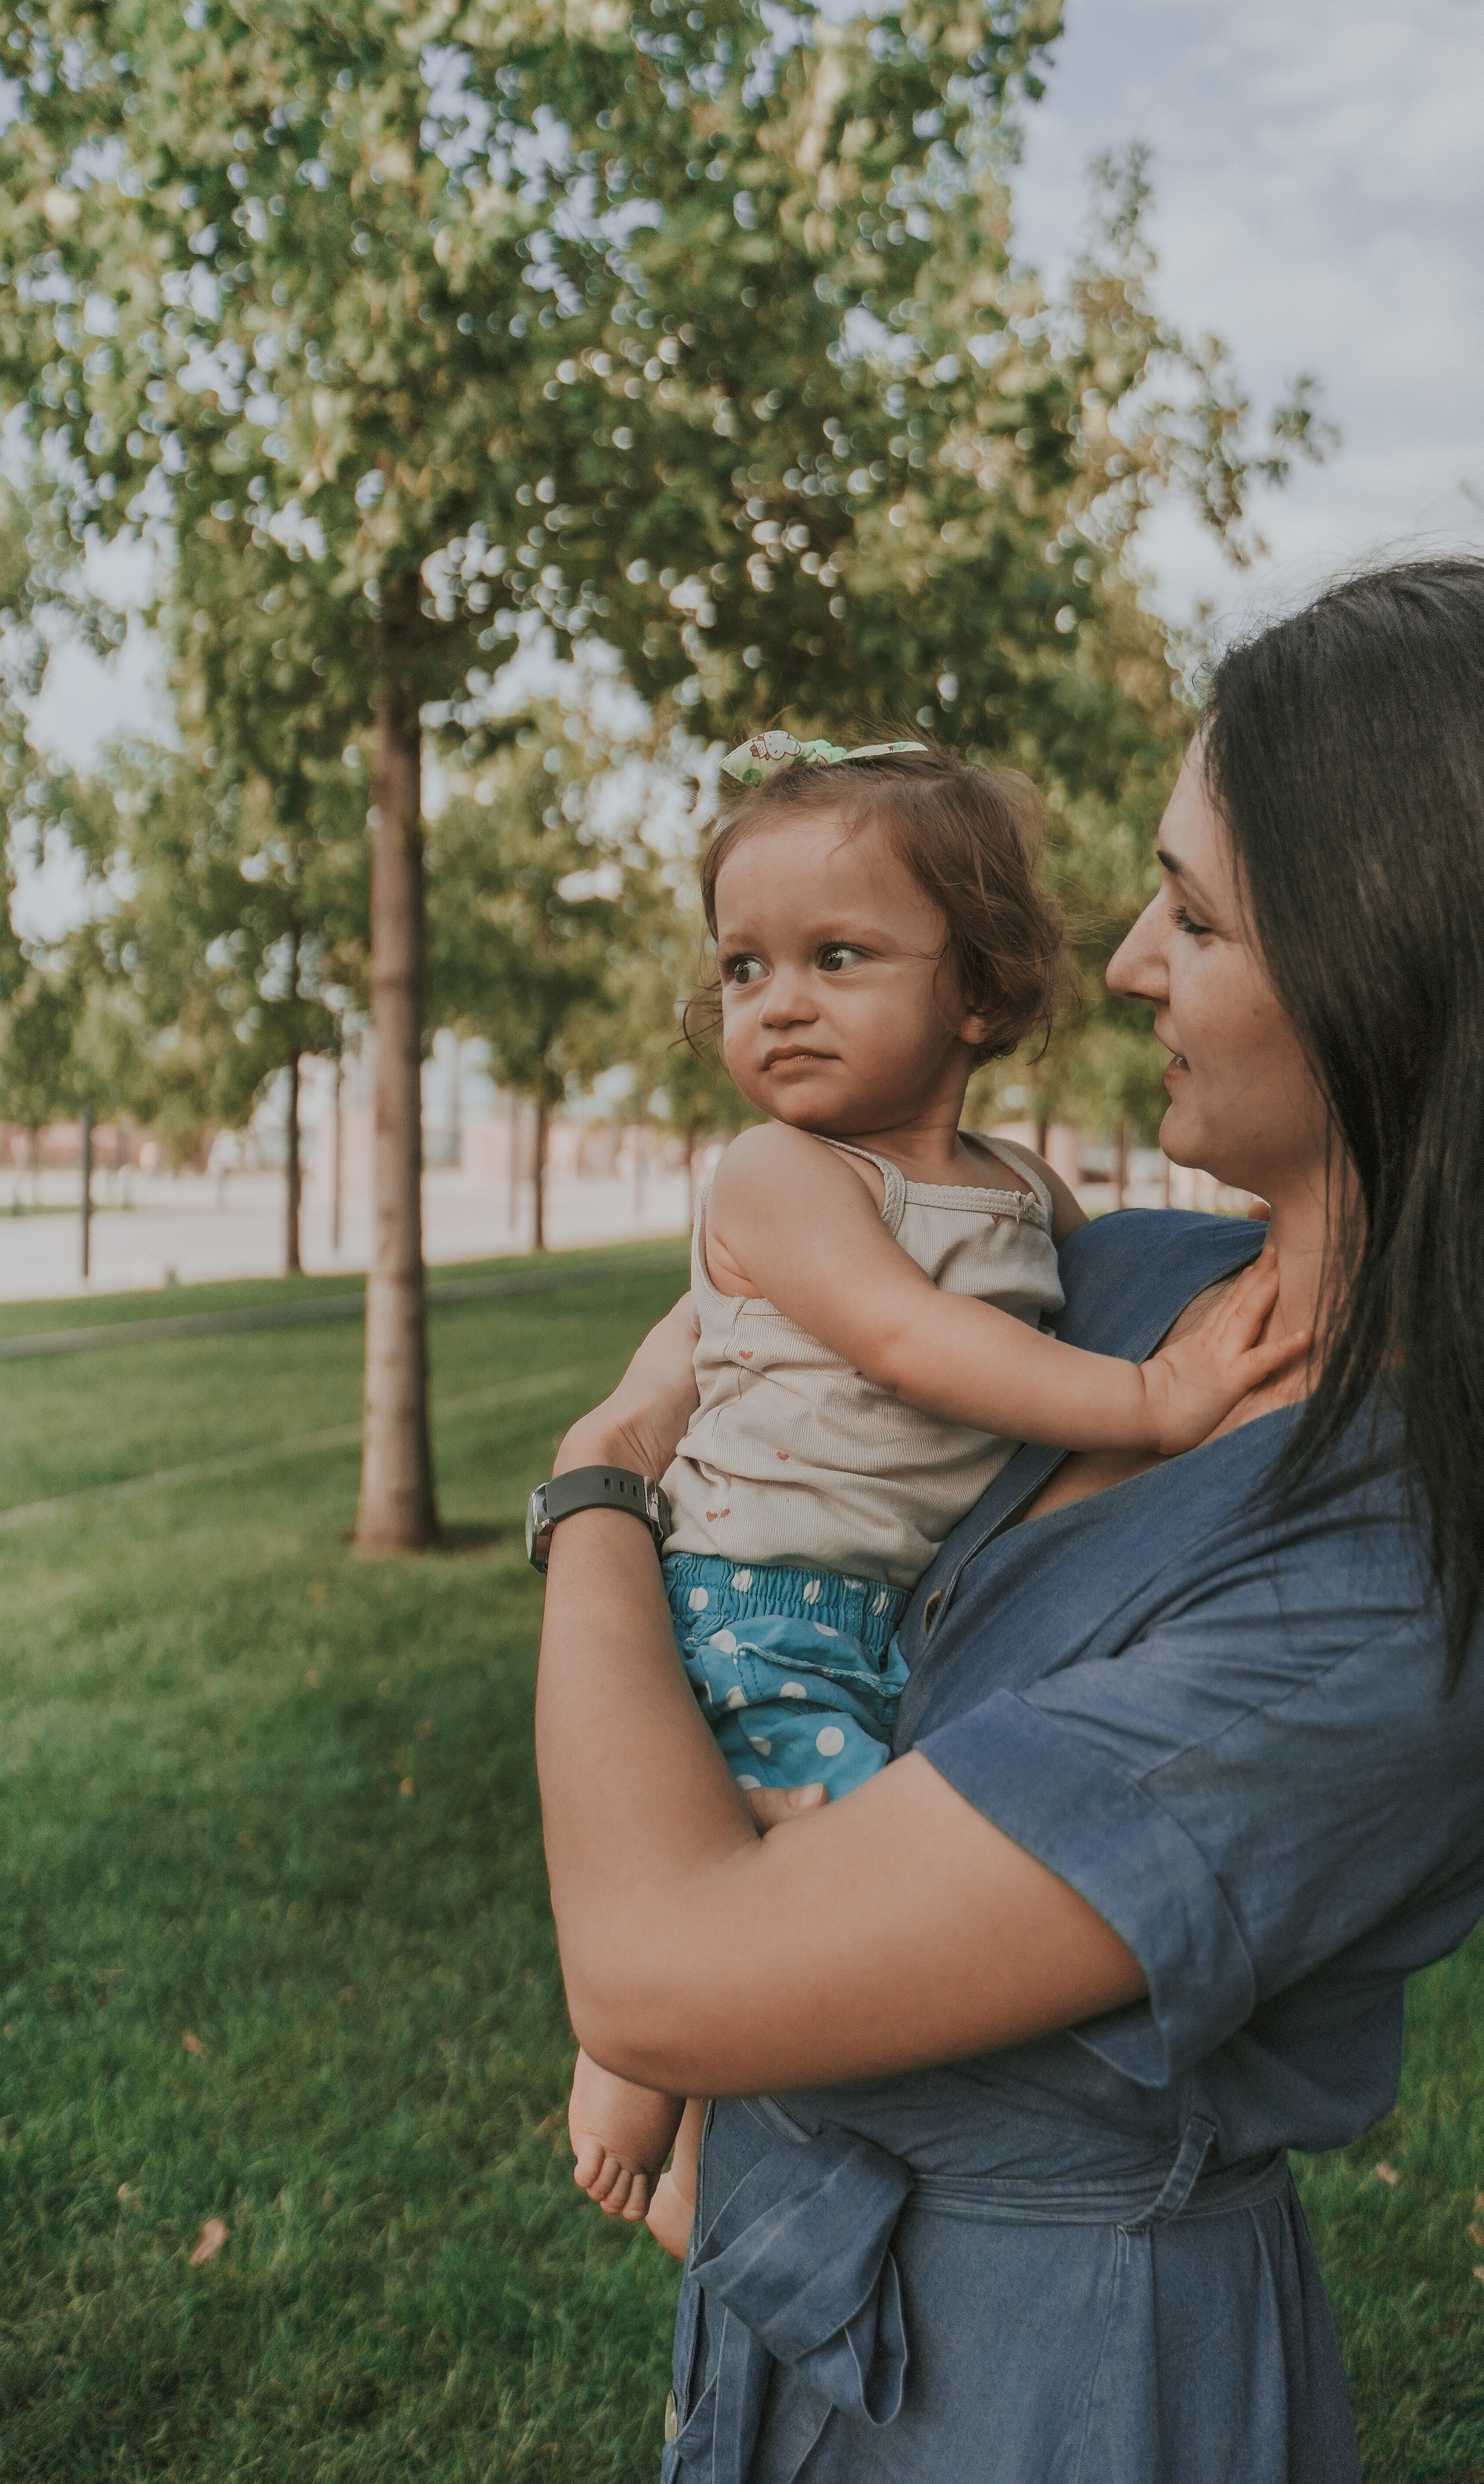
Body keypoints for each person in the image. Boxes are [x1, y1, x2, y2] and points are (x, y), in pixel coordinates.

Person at [534, 557, 1484, 2482]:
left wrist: (594, 1492)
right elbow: (778, 1329)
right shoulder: (1107, 1283)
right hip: (802, 2294)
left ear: (1393, 968)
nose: (1126, 962)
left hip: (1051, 2382)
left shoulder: (1395, 1597)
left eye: (1195, 916)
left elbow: (660, 1973)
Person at [564, 733, 1299, 2258]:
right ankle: (644, 2074)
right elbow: (918, 1343)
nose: (776, 1002)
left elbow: (1060, 1307)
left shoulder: (1024, 1193)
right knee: (800, 1893)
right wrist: (1153, 1403)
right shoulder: (780, 1178)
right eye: (743, 967)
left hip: (885, 1609)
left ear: (972, 992)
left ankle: (684, 2071)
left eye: (835, 956)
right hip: (751, 1594)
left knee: (805, 1866)